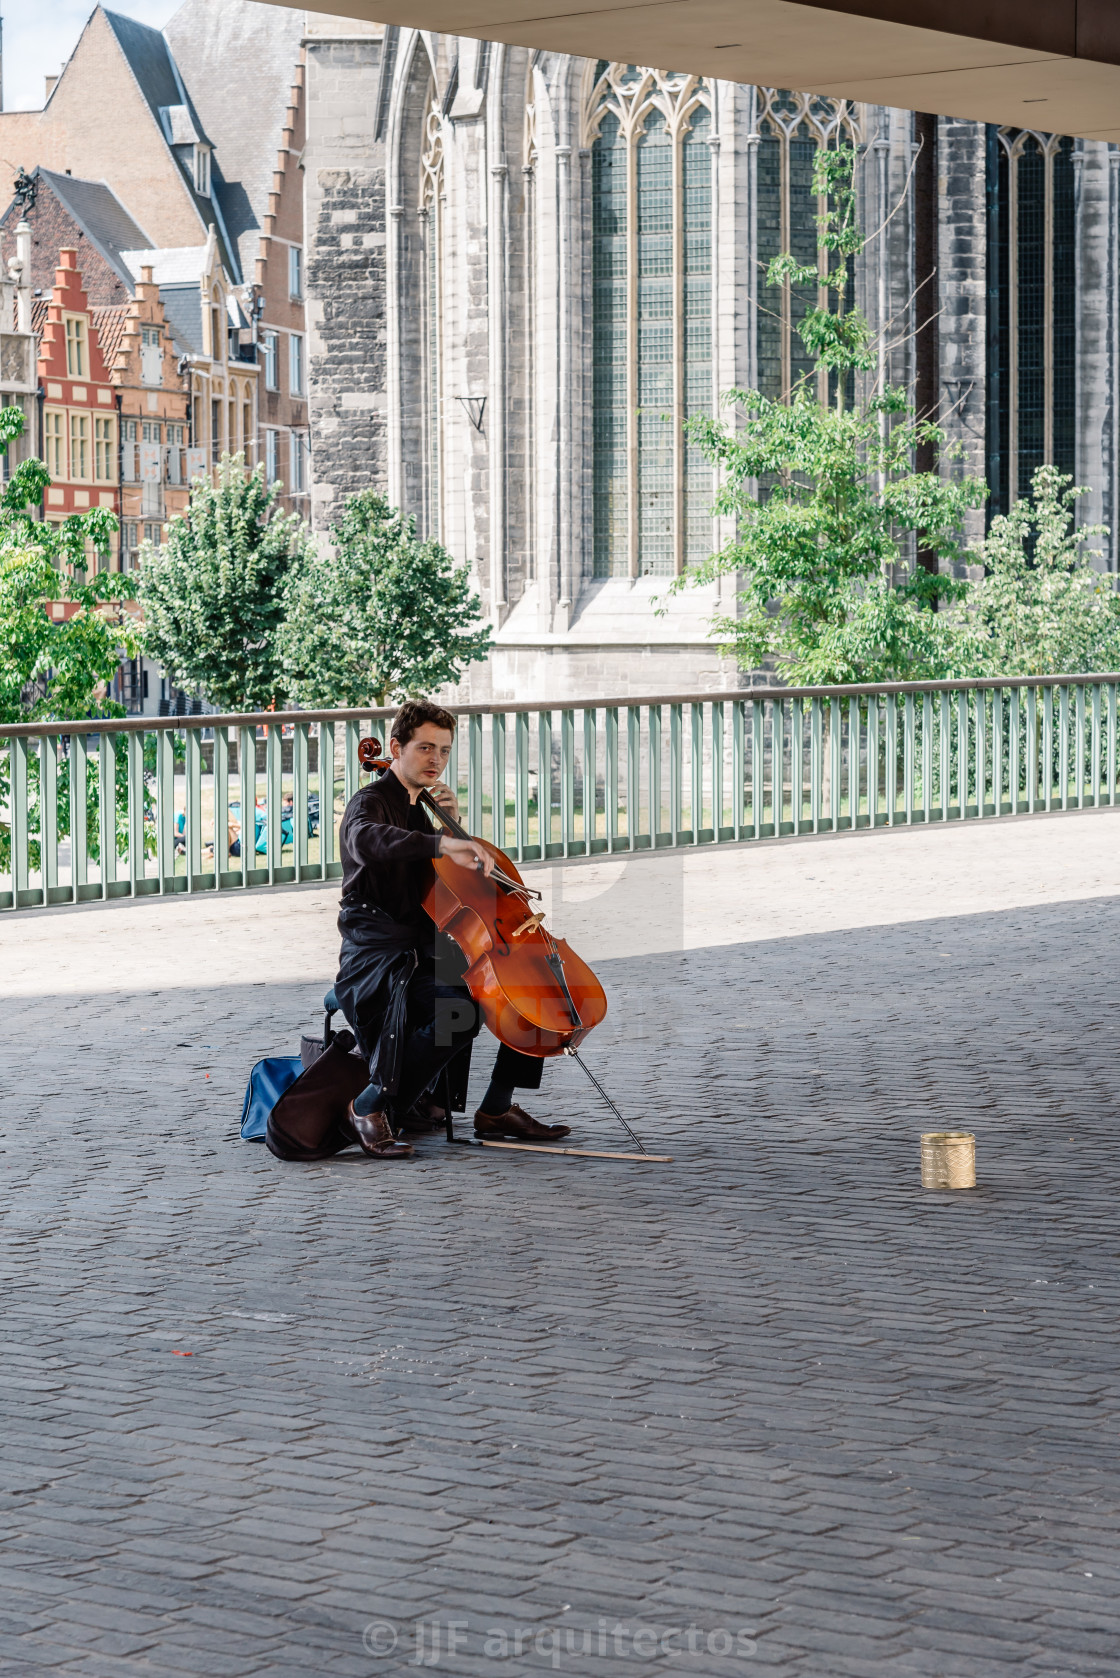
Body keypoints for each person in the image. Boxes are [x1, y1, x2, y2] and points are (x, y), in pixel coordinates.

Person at [274, 700, 572, 1162]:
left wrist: (448, 829)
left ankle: (495, 1108)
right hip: (376, 957)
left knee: (529, 993)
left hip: (426, 950)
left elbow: (453, 890)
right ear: (395, 748)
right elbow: (367, 840)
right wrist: (443, 840)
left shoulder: (420, 809)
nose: (436, 759)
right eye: (426, 747)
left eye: (445, 751)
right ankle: (368, 1105)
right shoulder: (368, 803)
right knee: (459, 1014)